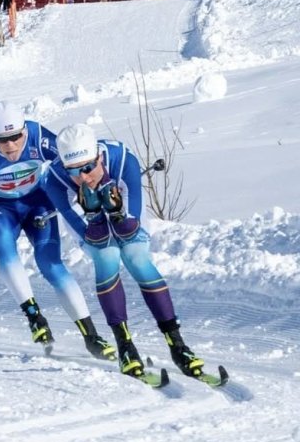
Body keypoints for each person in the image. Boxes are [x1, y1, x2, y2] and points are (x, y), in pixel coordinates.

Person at [0, 102, 115, 359]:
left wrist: (94, 191)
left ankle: (91, 336)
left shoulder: (39, 136)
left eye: (16, 137)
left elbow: (75, 164)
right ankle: (34, 315)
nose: (11, 146)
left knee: (51, 264)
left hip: (38, 203)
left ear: (25, 131)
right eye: (2, 141)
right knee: (5, 250)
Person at [44, 124, 207, 379]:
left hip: (126, 211)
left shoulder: (122, 159)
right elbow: (88, 232)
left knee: (136, 257)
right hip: (89, 223)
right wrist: (95, 215)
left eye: (88, 167)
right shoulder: (53, 178)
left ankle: (177, 344)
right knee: (106, 257)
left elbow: (130, 227)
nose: (83, 177)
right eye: (74, 171)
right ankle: (125, 346)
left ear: (98, 157)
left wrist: (117, 209)